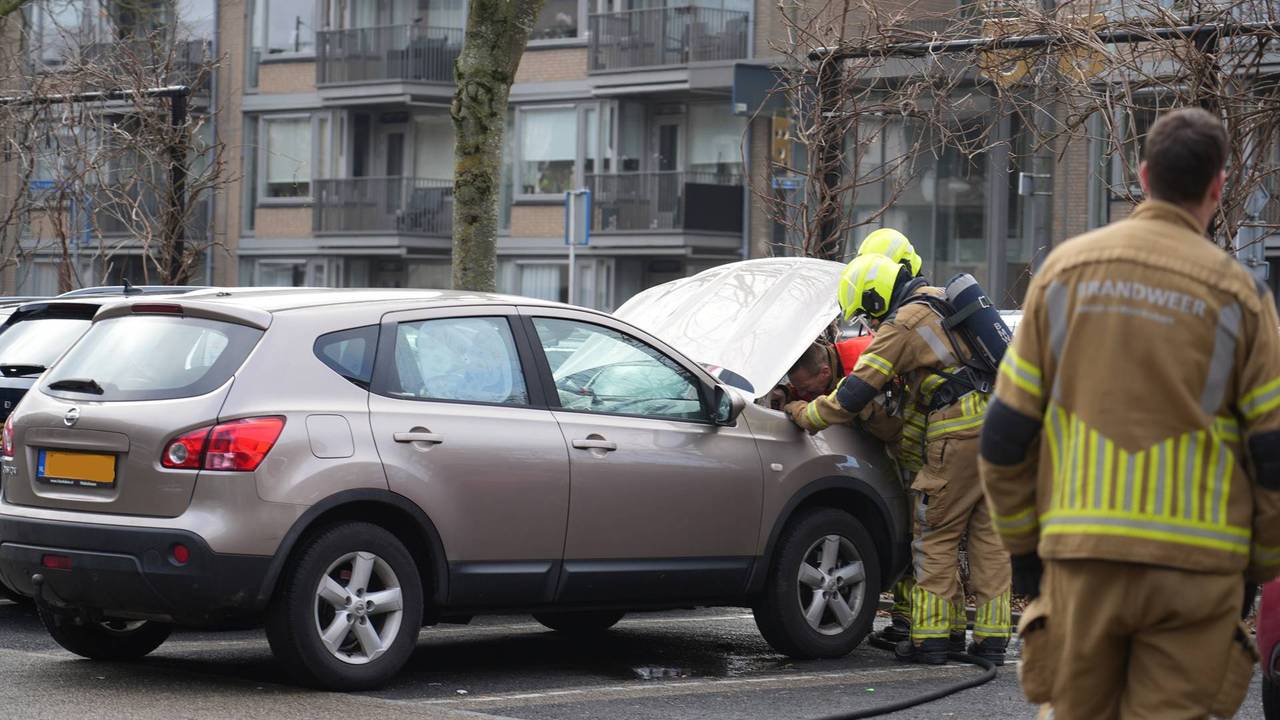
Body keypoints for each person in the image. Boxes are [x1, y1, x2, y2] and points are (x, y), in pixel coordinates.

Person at [979, 107, 1280, 719]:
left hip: (1082, 565)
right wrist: (1254, 570)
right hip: (1195, 575)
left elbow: (1004, 438)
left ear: (1142, 177)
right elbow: (1273, 462)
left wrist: (1027, 553)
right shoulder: (1244, 300)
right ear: (1217, 188)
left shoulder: (1063, 276)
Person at [785, 253, 1012, 665]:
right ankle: (992, 641)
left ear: (875, 298)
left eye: (866, 315)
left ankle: (931, 641)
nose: (869, 326)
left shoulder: (904, 323)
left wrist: (805, 414)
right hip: (997, 427)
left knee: (934, 536)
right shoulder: (942, 301)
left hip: (955, 434)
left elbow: (855, 393)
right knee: (989, 539)